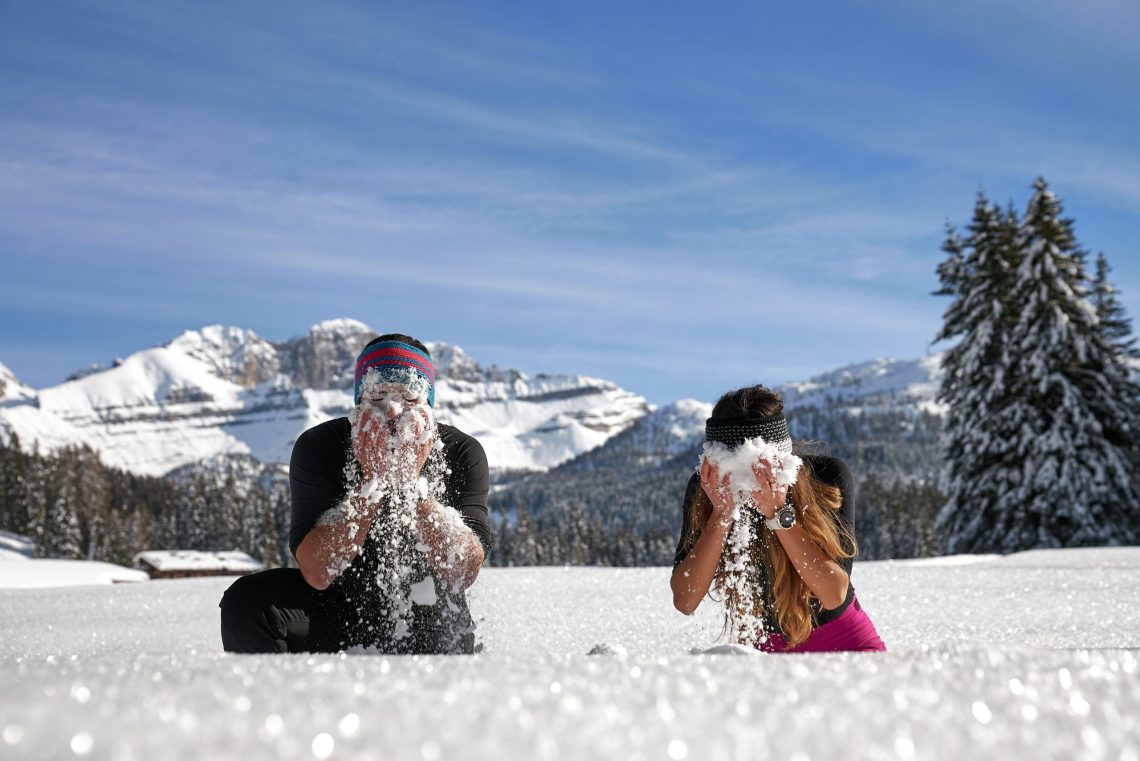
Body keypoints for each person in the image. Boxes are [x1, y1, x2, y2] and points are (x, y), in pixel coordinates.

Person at [220, 334, 492, 654]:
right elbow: (318, 572)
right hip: (338, 605)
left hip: (430, 612)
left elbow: (462, 572)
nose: (392, 412)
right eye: (377, 398)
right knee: (247, 601)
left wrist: (410, 485)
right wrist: (372, 484)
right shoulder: (320, 446)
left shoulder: (461, 451)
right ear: (358, 403)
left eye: (408, 399)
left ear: (427, 406)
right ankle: (287, 700)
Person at [670, 385, 885, 652]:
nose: (747, 481)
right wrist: (721, 516)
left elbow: (833, 593)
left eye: (757, 468)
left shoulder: (826, 477)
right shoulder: (707, 489)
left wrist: (778, 513)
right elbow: (685, 599)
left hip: (842, 640)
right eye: (735, 470)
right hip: (762, 647)